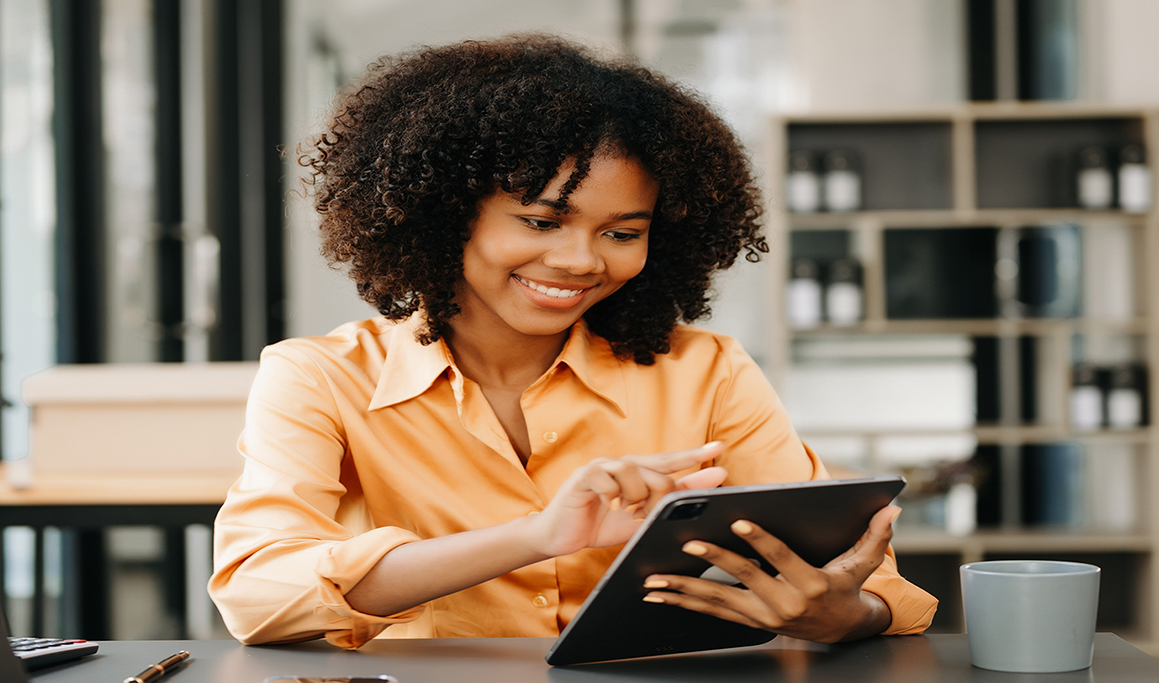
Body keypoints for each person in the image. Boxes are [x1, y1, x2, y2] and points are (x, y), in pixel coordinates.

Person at [210, 34, 936, 649]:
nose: (583, 260)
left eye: (623, 233)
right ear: (444, 213)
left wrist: (844, 614)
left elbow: (868, 584)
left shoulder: (706, 373)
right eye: (540, 221)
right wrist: (538, 535)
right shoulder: (318, 377)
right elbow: (257, 593)